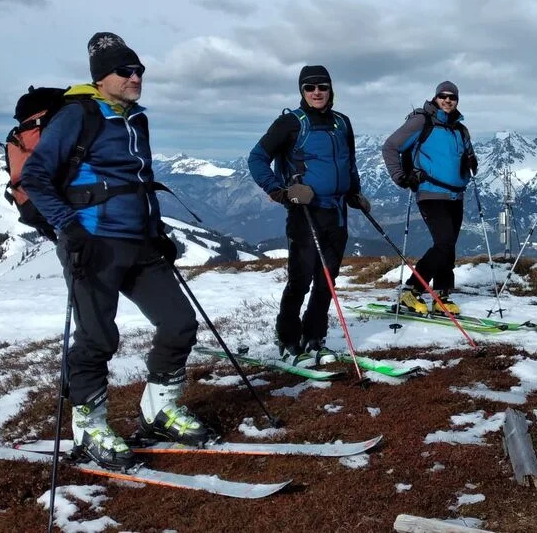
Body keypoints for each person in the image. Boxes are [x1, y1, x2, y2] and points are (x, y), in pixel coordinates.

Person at [21, 32, 209, 470]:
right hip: (93, 244)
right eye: (125, 71)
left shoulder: (135, 119)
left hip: (140, 242)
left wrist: (156, 229)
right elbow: (35, 177)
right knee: (97, 337)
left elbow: (140, 181)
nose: (135, 77)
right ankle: (89, 427)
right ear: (101, 78)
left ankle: (159, 410)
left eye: (139, 70)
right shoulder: (77, 115)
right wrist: (70, 229)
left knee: (179, 322)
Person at [248, 66, 369, 364]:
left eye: (322, 87)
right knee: (300, 280)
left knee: (327, 280)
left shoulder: (342, 122)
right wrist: (280, 192)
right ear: (302, 91)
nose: (317, 92)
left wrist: (354, 192)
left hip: (337, 213)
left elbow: (349, 162)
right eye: (310, 87)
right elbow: (257, 158)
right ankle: (288, 338)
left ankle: (315, 337)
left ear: (331, 89)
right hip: (304, 213)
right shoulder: (290, 123)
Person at [381, 81, 477, 315]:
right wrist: (400, 176)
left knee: (448, 246)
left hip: (456, 194)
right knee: (444, 242)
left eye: (452, 97)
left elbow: (469, 155)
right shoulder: (421, 122)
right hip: (430, 192)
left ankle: (442, 296)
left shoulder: (460, 129)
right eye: (443, 96)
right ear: (436, 98)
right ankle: (411, 291)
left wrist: (471, 162)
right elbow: (390, 147)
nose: (447, 100)